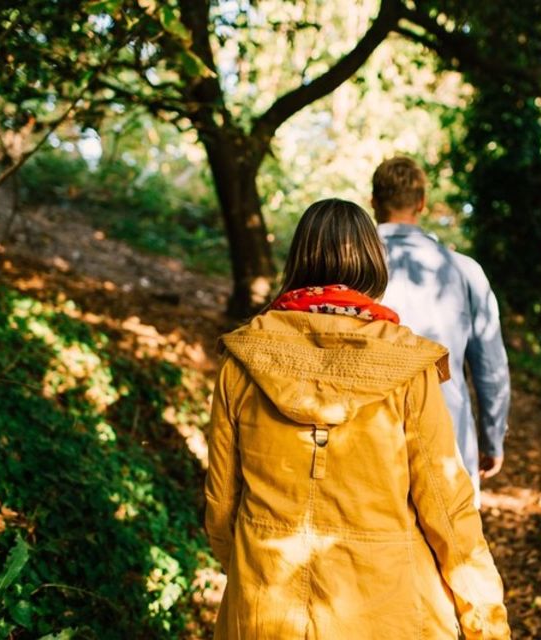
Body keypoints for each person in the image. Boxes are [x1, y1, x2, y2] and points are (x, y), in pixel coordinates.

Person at [206, 198, 510, 639]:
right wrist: (486, 623)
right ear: (372, 263)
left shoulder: (244, 359)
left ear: (299, 261)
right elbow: (447, 510)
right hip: (384, 611)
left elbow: (220, 507)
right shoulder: (406, 365)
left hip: (265, 609)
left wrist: (255, 573)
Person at [372, 157, 511, 504]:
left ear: (373, 202)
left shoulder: (350, 267)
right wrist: (492, 439)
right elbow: (491, 370)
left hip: (368, 445)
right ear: (421, 203)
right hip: (449, 443)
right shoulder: (465, 271)